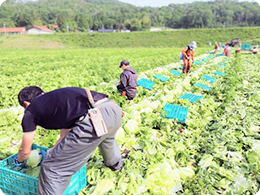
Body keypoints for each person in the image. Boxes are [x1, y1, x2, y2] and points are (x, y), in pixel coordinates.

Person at [14, 86, 123, 194]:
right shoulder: (55, 99)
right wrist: (53, 150)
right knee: (107, 140)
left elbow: (25, 151)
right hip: (112, 109)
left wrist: (19, 162)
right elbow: (63, 135)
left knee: (51, 168)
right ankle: (116, 166)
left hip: (93, 118)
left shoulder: (31, 111)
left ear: (26, 103)